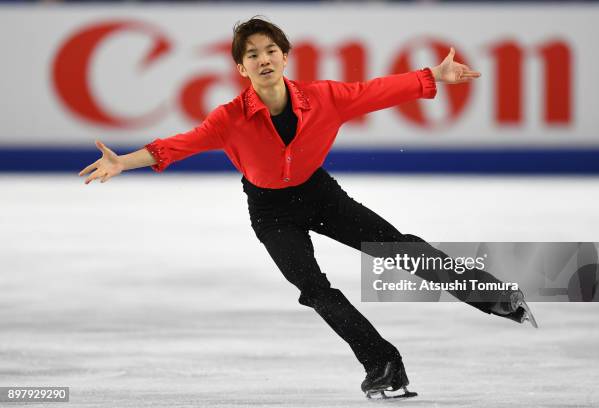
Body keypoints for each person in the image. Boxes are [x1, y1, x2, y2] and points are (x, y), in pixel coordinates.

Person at [78, 17, 536, 399]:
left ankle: (494, 295)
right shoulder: (229, 118)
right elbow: (177, 146)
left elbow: (374, 91)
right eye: (252, 54)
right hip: (271, 213)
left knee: (397, 248)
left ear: (284, 57)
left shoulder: (323, 98)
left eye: (270, 50)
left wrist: (431, 77)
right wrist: (124, 162)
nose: (263, 59)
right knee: (314, 289)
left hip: (320, 195)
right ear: (241, 68)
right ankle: (383, 365)